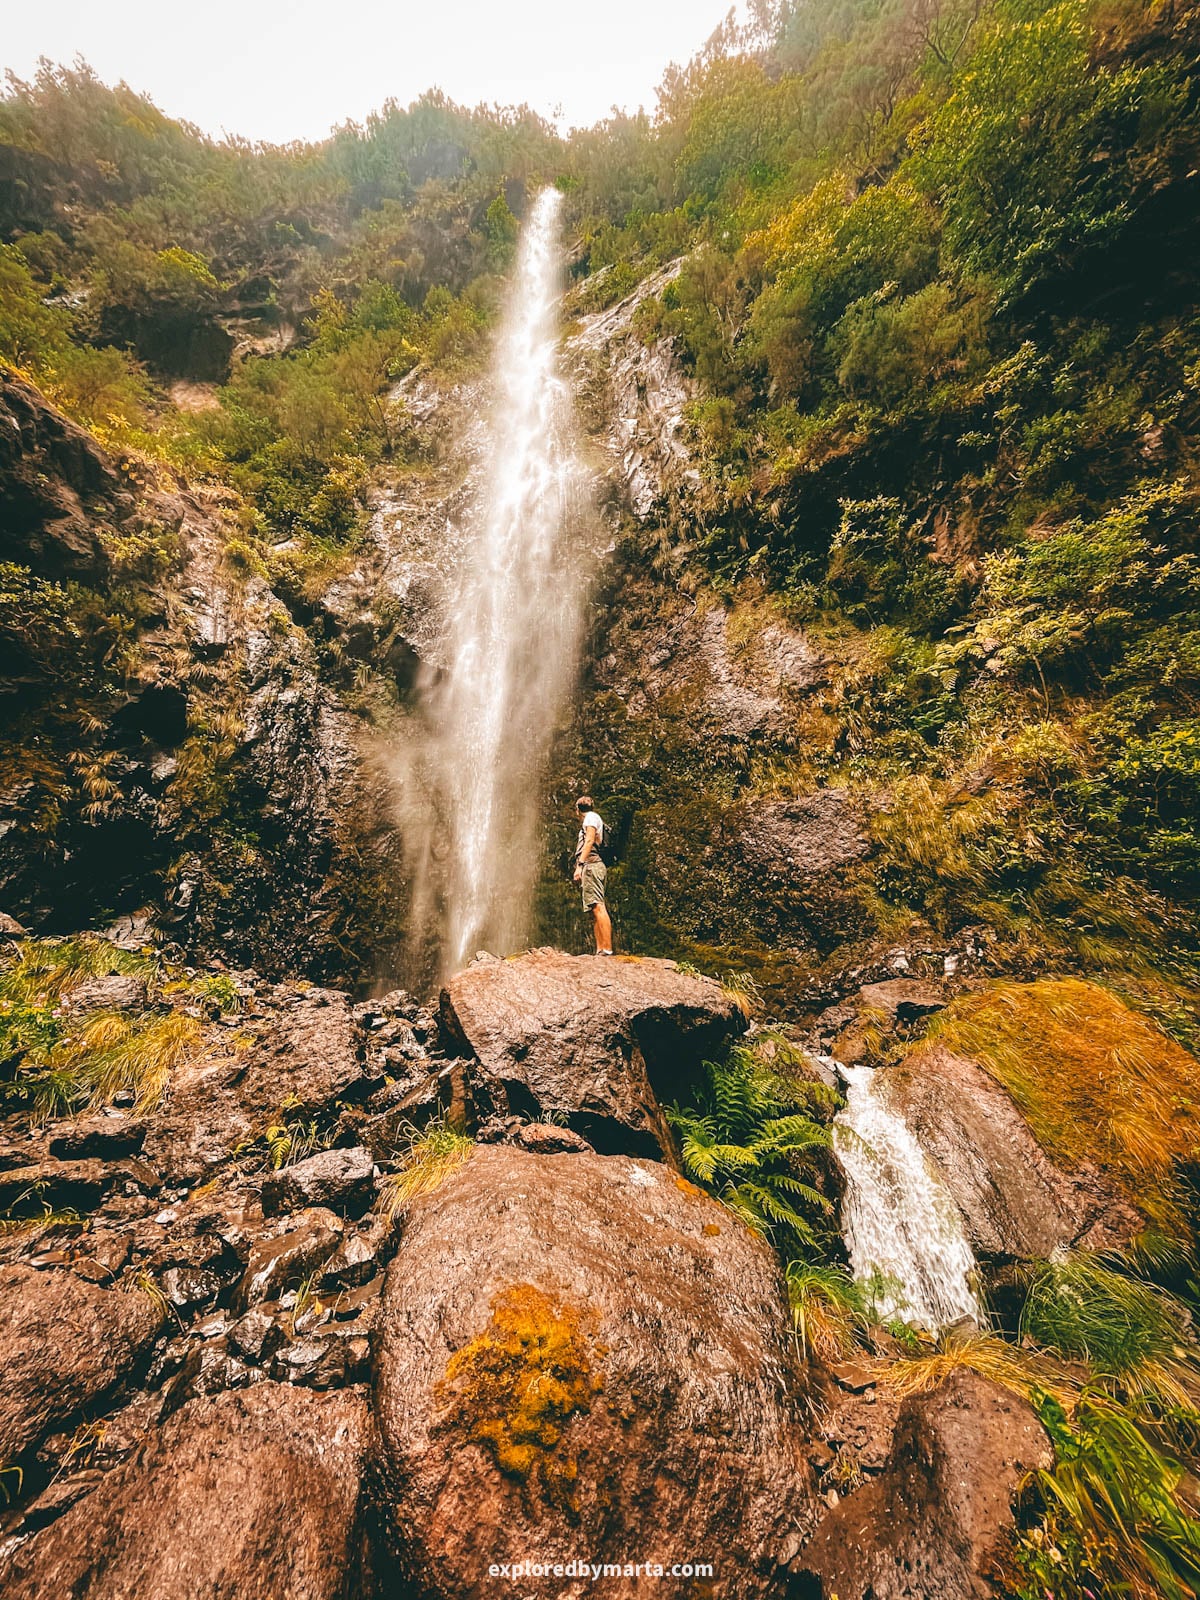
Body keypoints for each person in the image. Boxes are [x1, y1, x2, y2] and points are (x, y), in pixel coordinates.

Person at [572, 795, 613, 955]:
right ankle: (600, 949)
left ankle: (607, 948)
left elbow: (589, 841)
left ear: (577, 810)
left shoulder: (590, 818)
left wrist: (579, 865)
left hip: (592, 865)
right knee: (592, 908)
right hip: (592, 865)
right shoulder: (593, 817)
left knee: (598, 905)